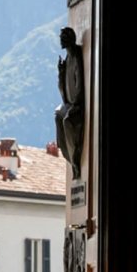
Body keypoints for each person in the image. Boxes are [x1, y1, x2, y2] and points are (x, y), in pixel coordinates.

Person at [54, 26, 85, 180]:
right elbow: (63, 92)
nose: (61, 40)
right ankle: (68, 154)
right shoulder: (67, 59)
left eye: (63, 38)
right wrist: (61, 73)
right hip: (69, 104)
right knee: (58, 115)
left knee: (67, 121)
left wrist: (76, 104)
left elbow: (79, 85)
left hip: (77, 106)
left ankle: (75, 161)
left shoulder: (77, 55)